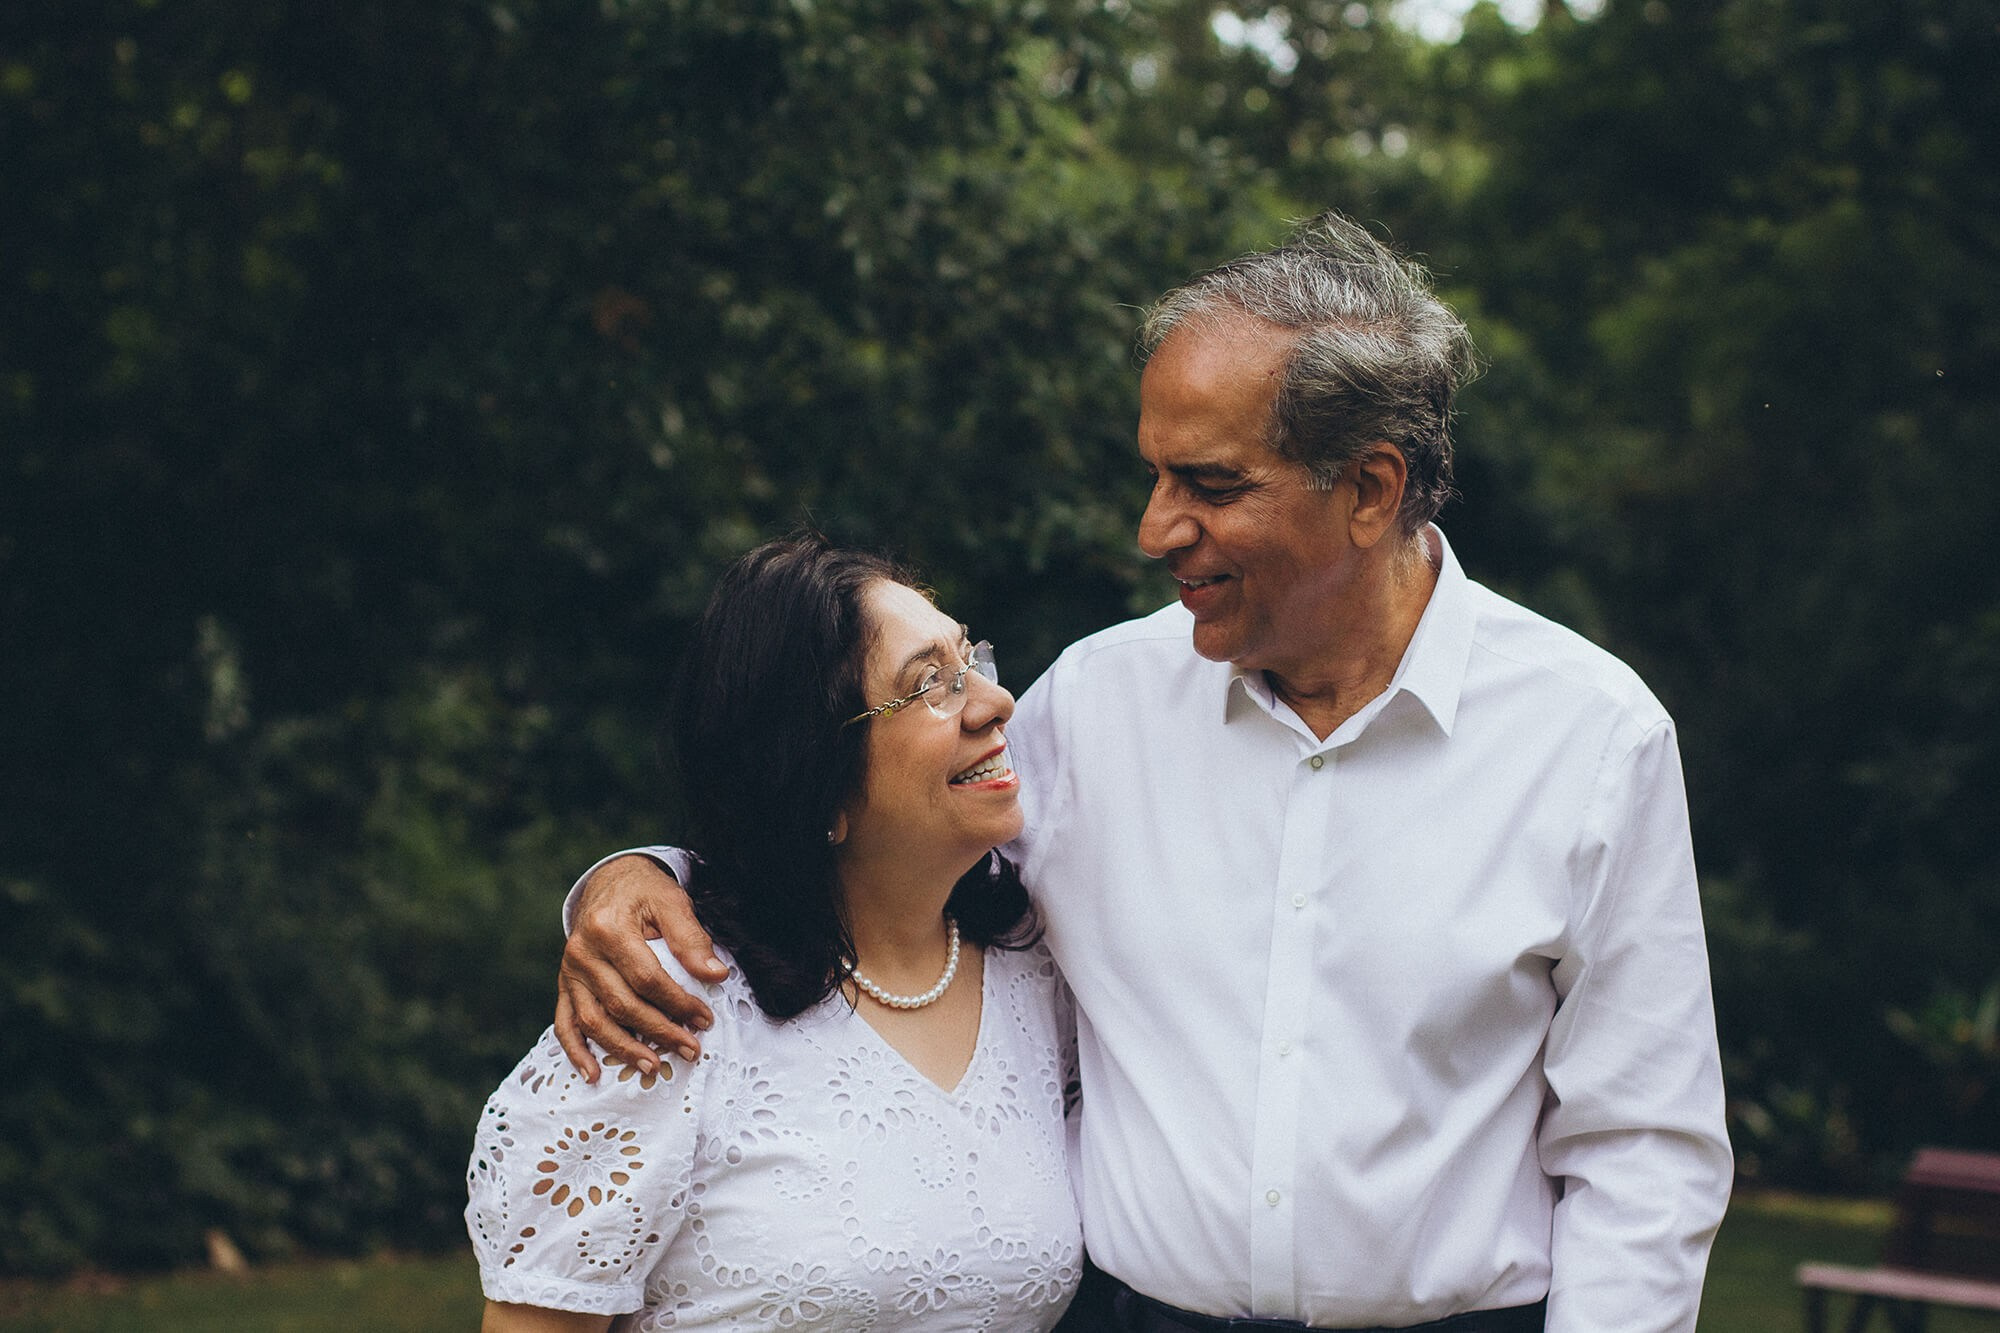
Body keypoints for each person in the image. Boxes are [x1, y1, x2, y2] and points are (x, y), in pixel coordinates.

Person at [553, 212, 1733, 1331]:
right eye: (1157, 474)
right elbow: (869, 847)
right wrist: (639, 875)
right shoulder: (1091, 705)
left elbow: (1642, 1153)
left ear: (1367, 489)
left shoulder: (1589, 737)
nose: (1154, 528)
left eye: (1211, 486)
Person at [465, 535, 1082, 1331]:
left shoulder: (1038, 968)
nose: (995, 702)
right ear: (816, 776)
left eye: (972, 658)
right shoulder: (660, 1011)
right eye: (930, 683)